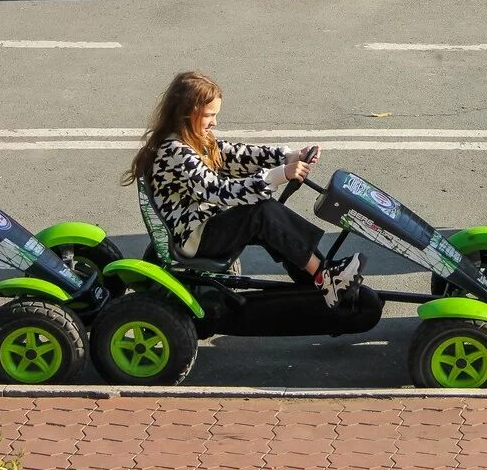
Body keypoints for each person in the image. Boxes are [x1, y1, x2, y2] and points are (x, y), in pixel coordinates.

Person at [123, 71, 363, 308]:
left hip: (204, 225)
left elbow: (235, 155)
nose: (214, 122)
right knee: (262, 213)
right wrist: (279, 174)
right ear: (187, 112)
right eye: (209, 115)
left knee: (269, 220)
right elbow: (218, 190)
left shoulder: (192, 138)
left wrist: (289, 156)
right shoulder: (175, 151)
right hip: (194, 238)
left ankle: (316, 281)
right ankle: (323, 277)